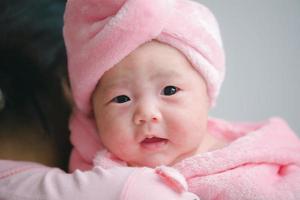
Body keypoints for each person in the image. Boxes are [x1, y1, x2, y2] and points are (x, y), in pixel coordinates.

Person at [1, 0, 300, 200]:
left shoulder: (253, 157)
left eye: (169, 91)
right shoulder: (105, 173)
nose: (146, 113)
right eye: (121, 98)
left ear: (207, 95)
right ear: (92, 112)